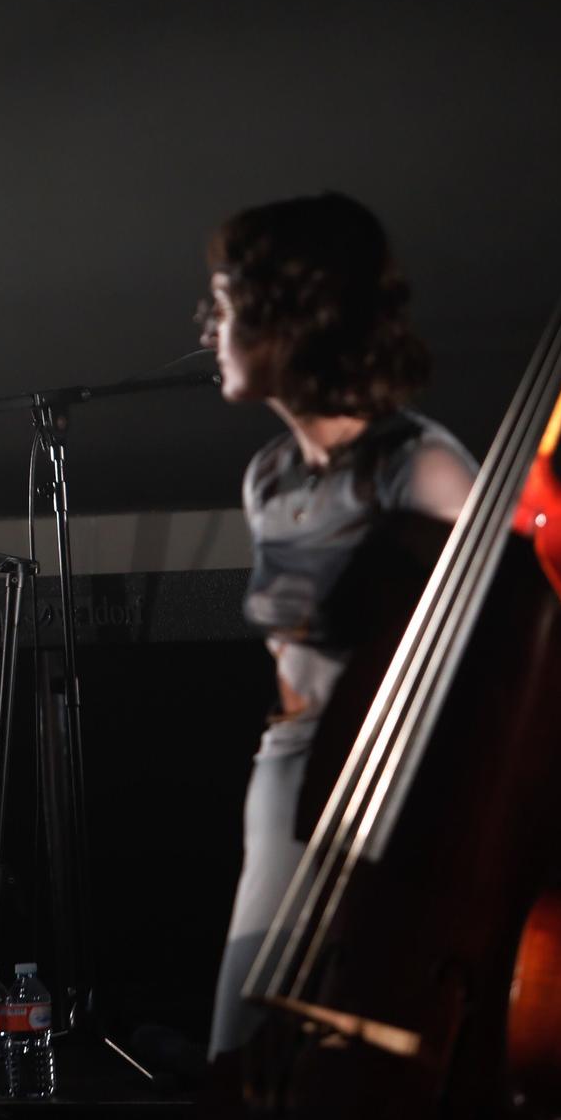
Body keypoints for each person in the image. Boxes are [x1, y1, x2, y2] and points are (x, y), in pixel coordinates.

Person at [200, 193, 478, 1057]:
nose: (210, 326)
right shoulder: (270, 475)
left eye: (227, 303)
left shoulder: (420, 467)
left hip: (401, 793)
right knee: (241, 1060)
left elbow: (494, 662)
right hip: (288, 777)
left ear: (290, 319)